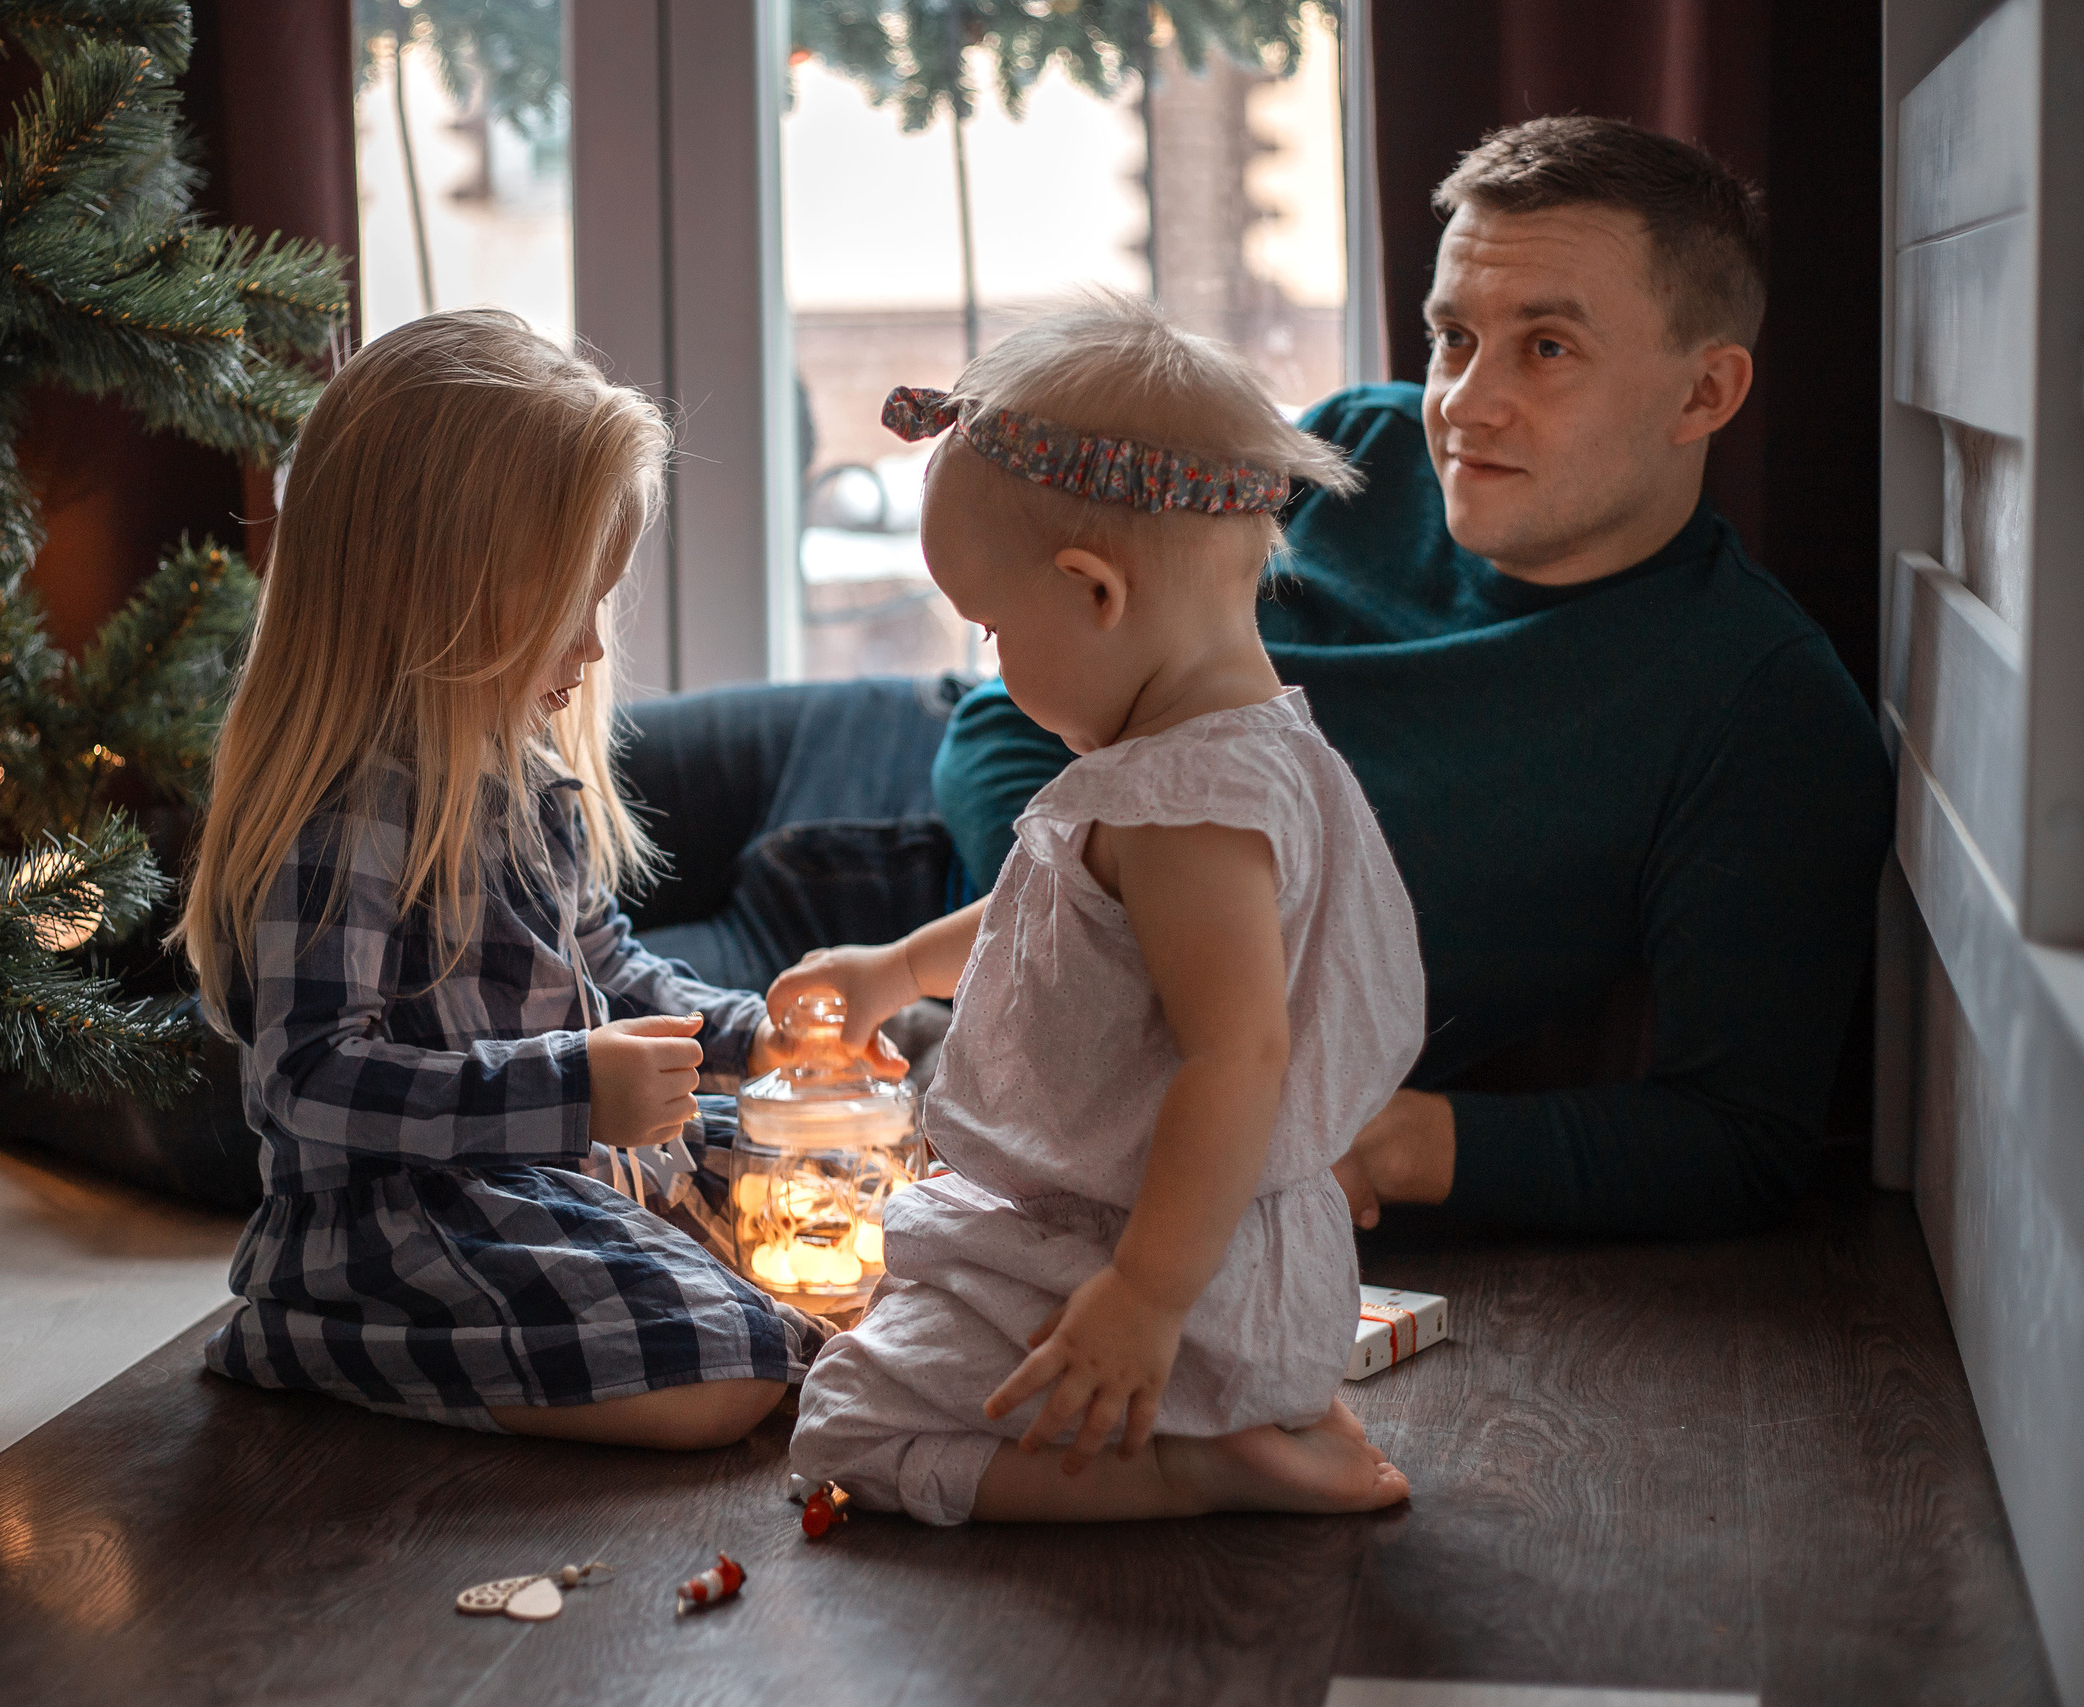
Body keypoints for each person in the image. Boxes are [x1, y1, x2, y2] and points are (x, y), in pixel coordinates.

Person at [931, 117, 1892, 1240]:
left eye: (1545, 348)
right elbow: (997, 713)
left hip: (1061, 1122)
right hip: (905, 887)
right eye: (1451, 337)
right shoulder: (1357, 450)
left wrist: (1393, 1141)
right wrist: (1078, 937)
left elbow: (1737, 1141)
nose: (1462, 402)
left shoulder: (1758, 711)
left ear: (1703, 396)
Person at [170, 310, 895, 1449]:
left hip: (566, 1169)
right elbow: (307, 1084)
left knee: (868, 1203)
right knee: (725, 1367)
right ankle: (306, 1334)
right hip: (405, 1218)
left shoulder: (520, 772)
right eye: (574, 600)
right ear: (435, 587)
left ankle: (731, 1310)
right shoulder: (349, 809)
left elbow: (611, 969)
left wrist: (765, 1041)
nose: (596, 648)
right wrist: (566, 1092)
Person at [778, 299, 1417, 1525]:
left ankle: (1196, 1463)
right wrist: (897, 967)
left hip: (1163, 1268)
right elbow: (1054, 920)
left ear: (1093, 593)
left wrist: (1142, 1299)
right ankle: (1257, 1413)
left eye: (992, 625)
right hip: (1242, 1272)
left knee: (847, 1419)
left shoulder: (1184, 806)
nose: (988, 657)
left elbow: (1241, 1055)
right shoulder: (1255, 753)